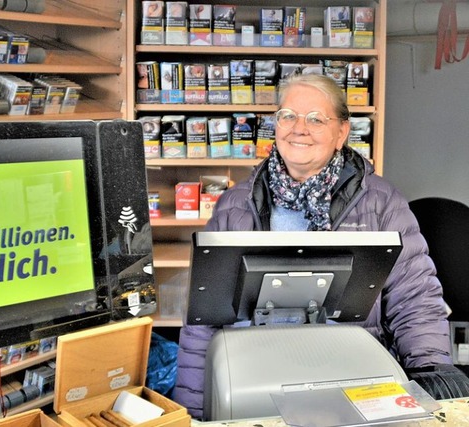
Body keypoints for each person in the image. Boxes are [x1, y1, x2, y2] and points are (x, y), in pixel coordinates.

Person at [172, 74, 453, 420]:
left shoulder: (381, 203)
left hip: (353, 380)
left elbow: (415, 298)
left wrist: (432, 371)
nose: (298, 128)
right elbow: (203, 319)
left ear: (341, 133)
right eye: (288, 115)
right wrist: (194, 412)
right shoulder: (235, 205)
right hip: (254, 382)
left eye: (316, 119)